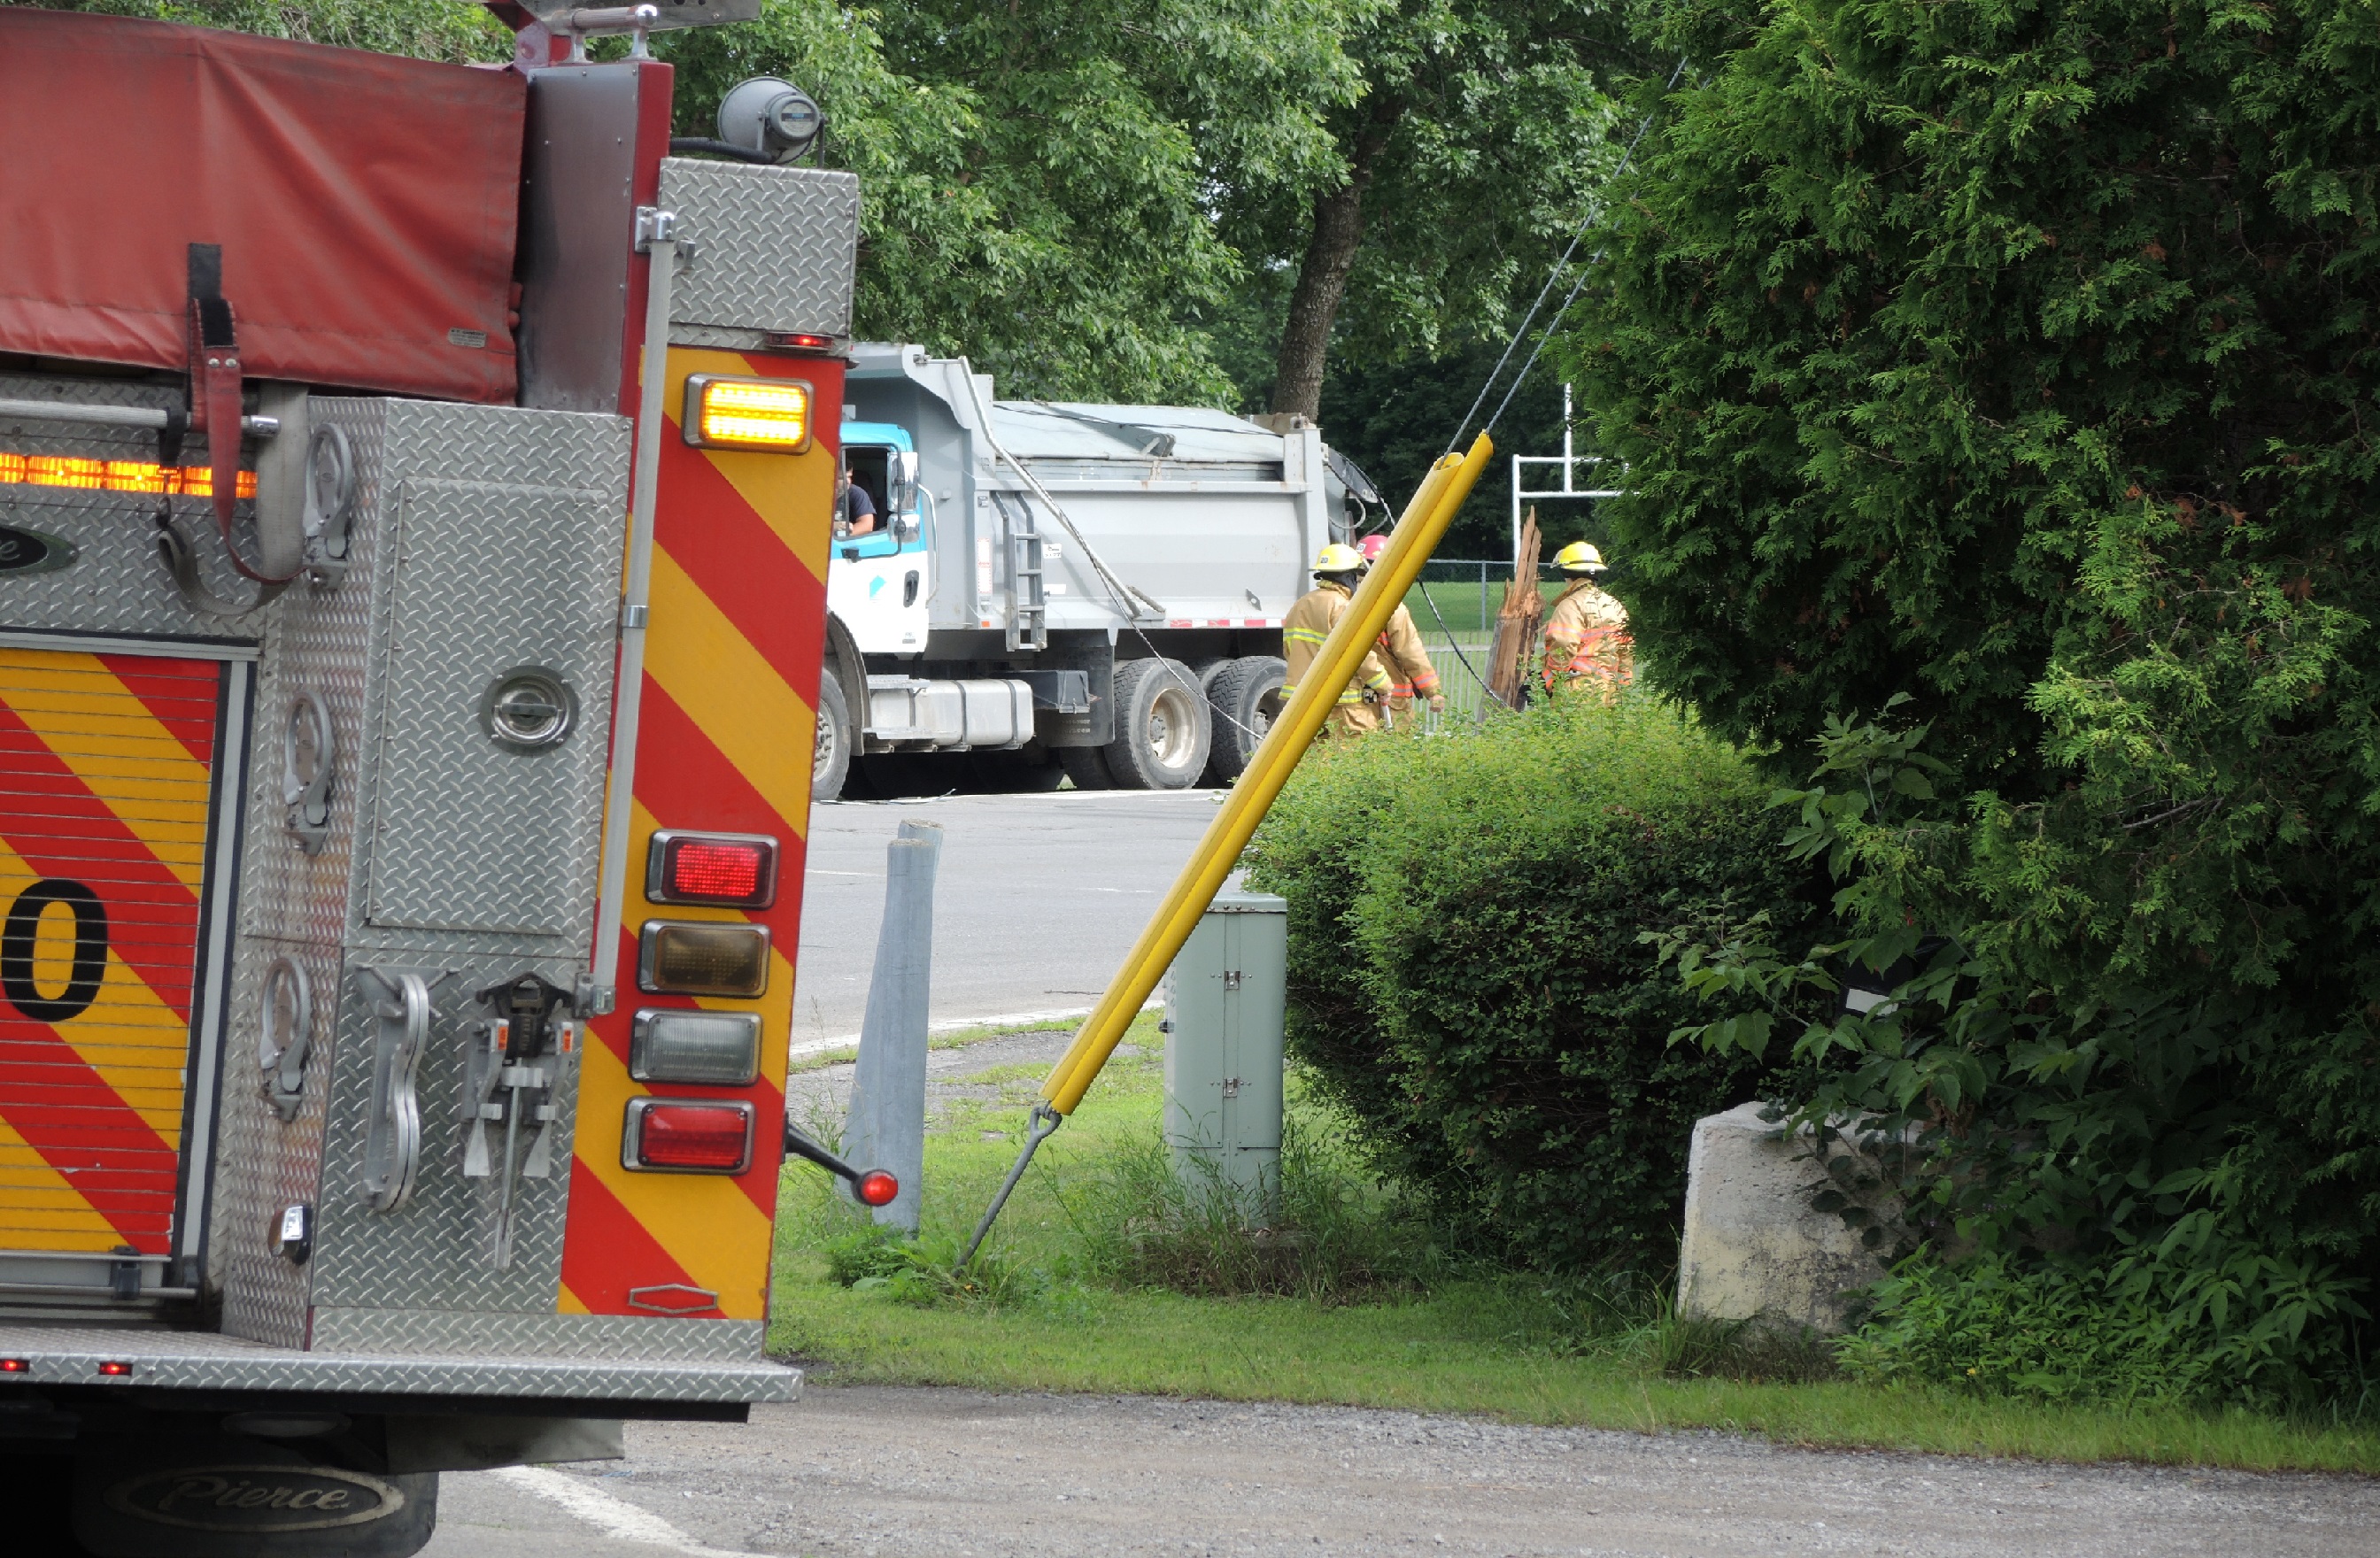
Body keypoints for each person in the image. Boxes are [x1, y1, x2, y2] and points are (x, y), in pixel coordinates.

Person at [1282, 543, 1394, 737]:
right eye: (1357, 578)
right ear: (1349, 577)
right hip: (1342, 704)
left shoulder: (1300, 605)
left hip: (1301, 703)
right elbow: (1361, 655)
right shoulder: (1343, 607)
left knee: (1315, 759)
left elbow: (1289, 649)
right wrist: (1384, 685)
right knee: (1360, 755)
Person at [1355, 534, 1444, 726]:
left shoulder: (1339, 601)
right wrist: (1433, 692)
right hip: (1389, 700)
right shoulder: (1391, 607)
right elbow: (1410, 652)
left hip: (1349, 701)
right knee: (1395, 749)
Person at [1541, 541, 1632, 701]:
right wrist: (1622, 688)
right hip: (1611, 691)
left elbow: (1563, 647)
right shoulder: (1615, 605)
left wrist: (1548, 681)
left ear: (1565, 572)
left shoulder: (1570, 606)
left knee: (1572, 727)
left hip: (1578, 691)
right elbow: (1626, 651)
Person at [835, 466, 878, 538]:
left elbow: (867, 525)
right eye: (841, 478)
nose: (847, 481)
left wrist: (839, 536)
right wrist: (831, 527)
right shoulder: (816, 494)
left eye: (849, 477)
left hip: (846, 544)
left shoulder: (857, 493)